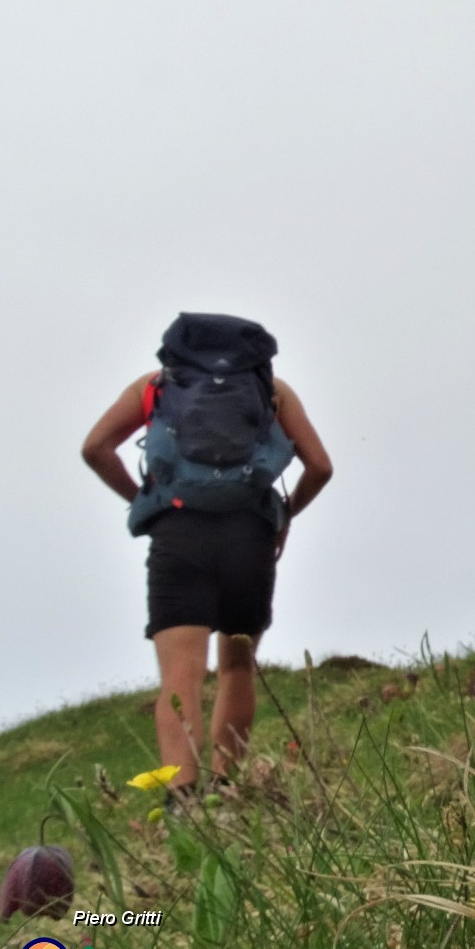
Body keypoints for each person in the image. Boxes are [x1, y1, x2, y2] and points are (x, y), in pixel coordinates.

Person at [82, 319, 332, 798]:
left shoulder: (154, 387)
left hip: (178, 535)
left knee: (180, 677)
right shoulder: (272, 391)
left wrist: (142, 499)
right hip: (249, 537)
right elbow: (320, 467)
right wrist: (284, 515)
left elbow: (95, 448)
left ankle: (183, 800)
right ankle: (224, 787)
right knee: (238, 667)